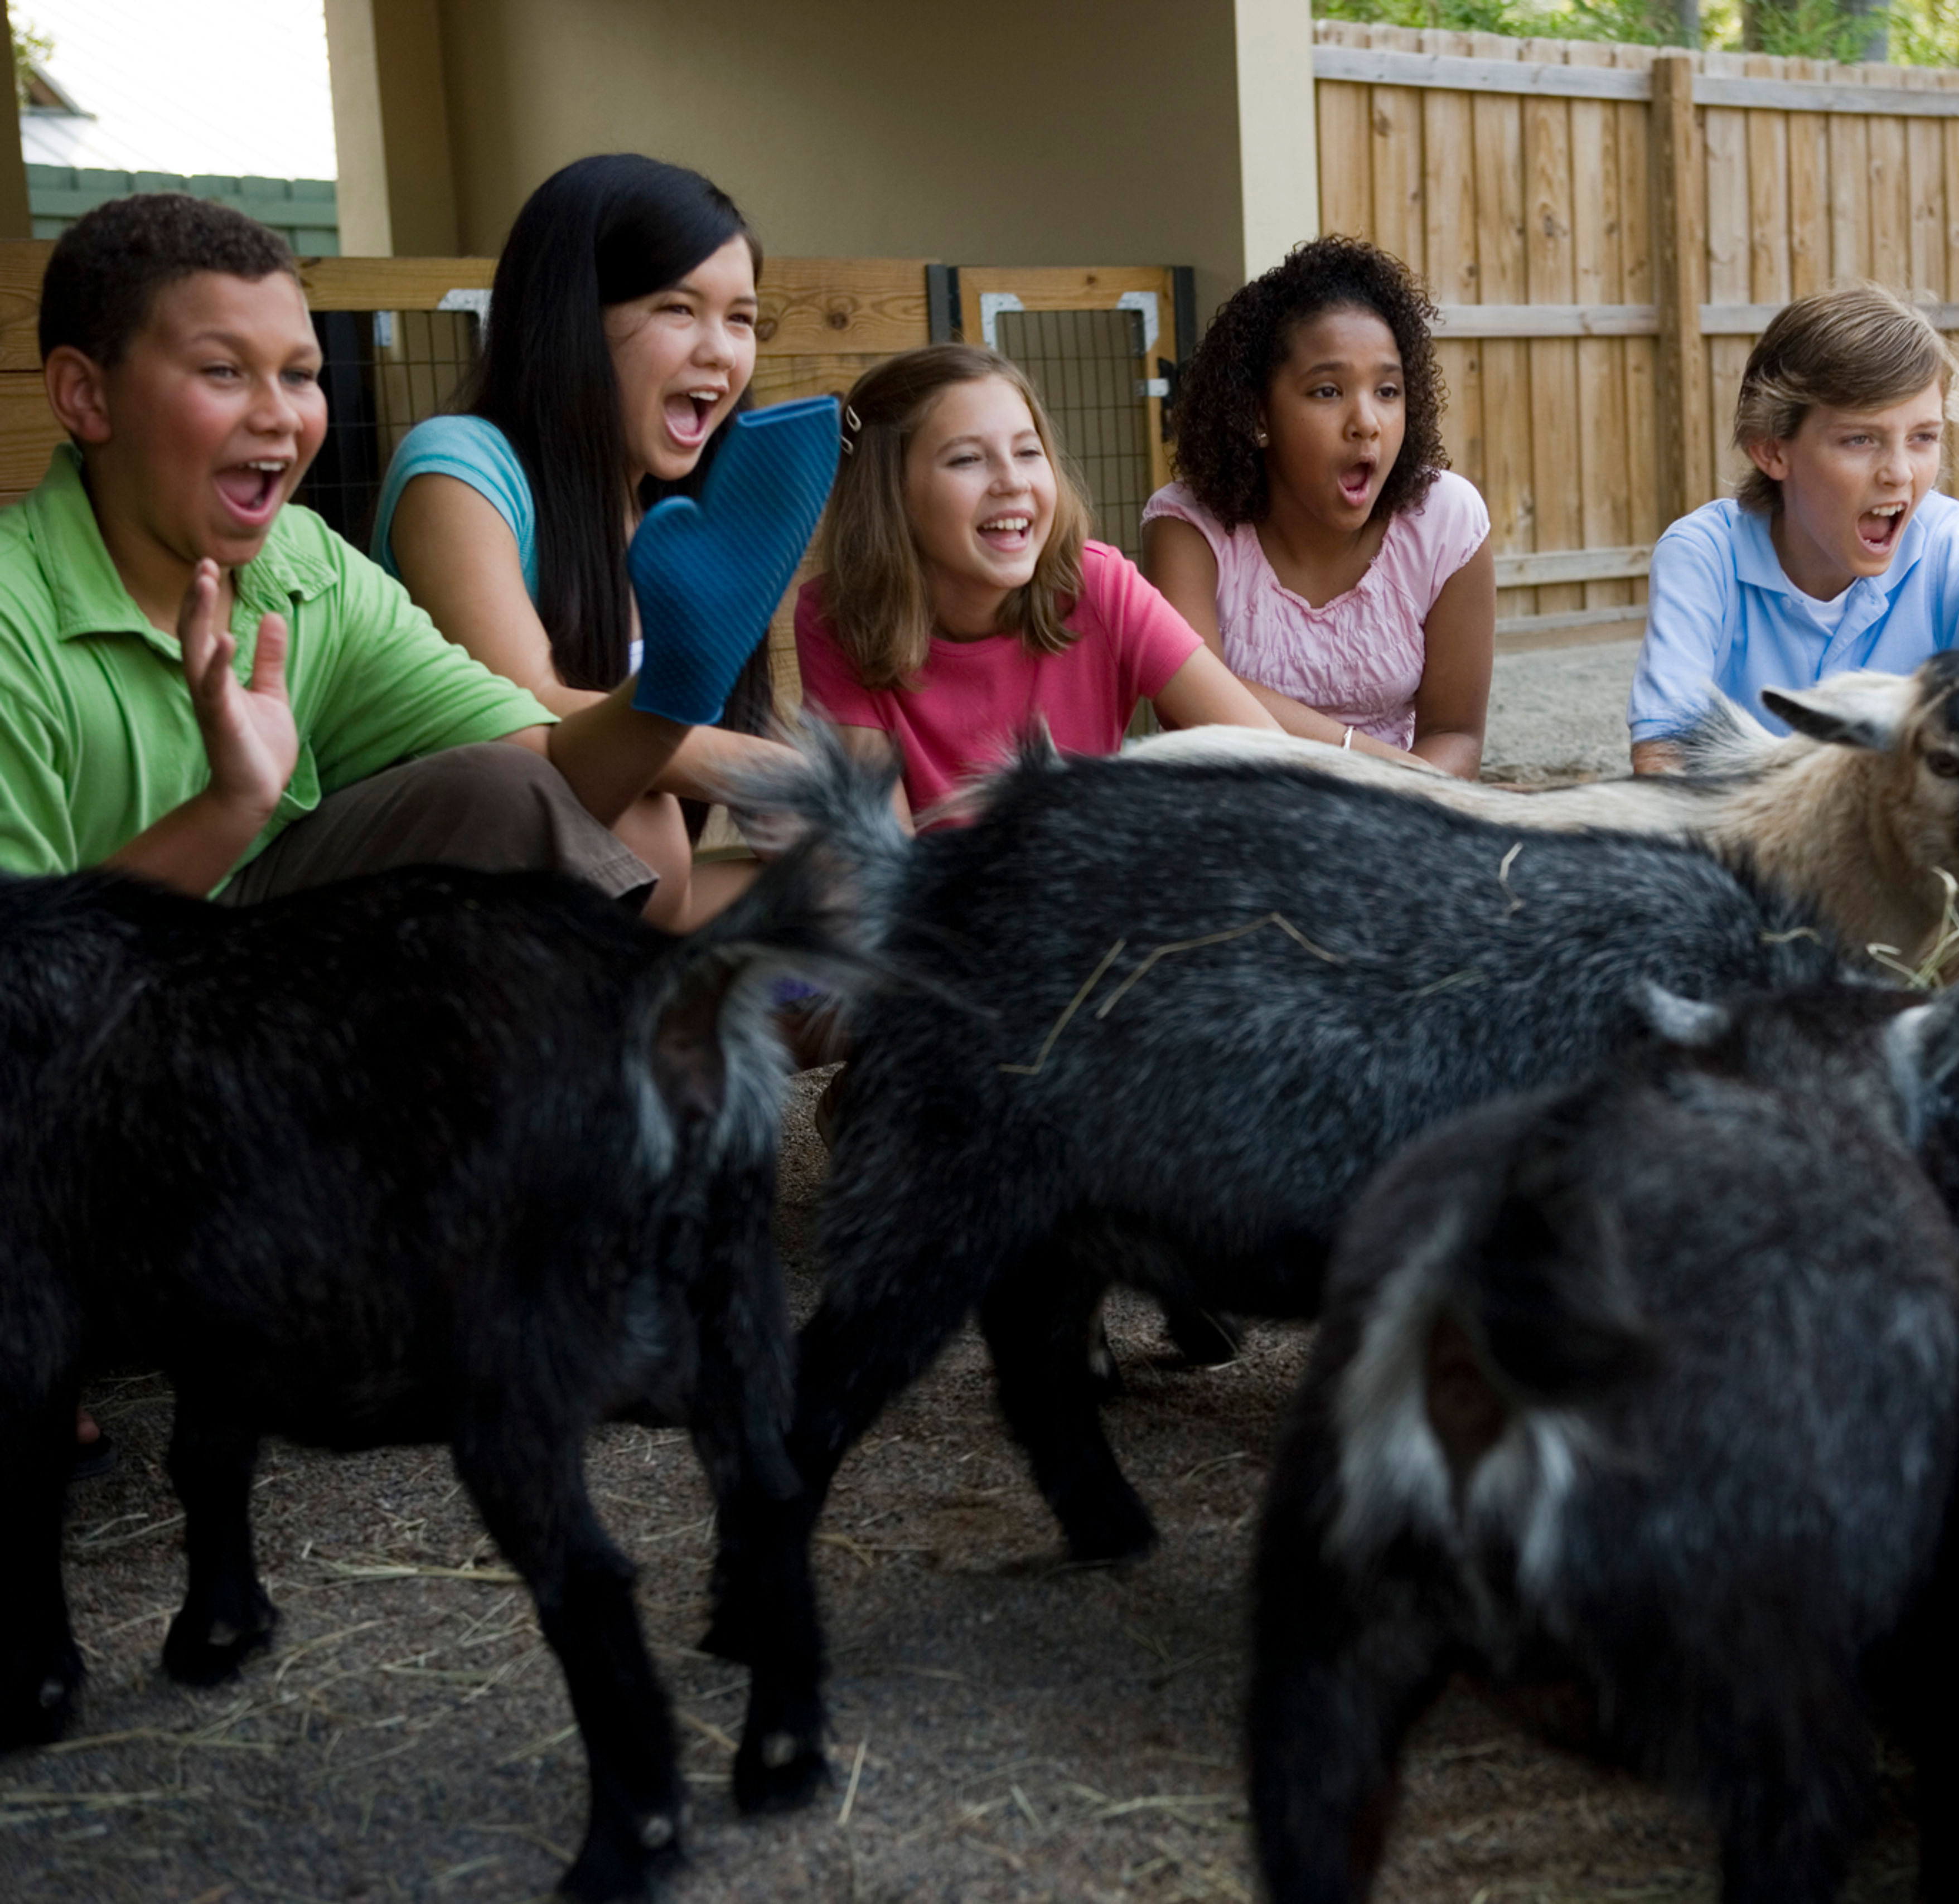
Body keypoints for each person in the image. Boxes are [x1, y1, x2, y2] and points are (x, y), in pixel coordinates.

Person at [11, 195, 746, 1474]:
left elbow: (550, 767)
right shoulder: (14, 617)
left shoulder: (305, 567)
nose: (280, 414)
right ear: (86, 395)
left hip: (230, 1027)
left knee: (509, 801)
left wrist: (674, 677)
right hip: (62, 1066)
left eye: (300, 373)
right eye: (223, 371)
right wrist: (229, 808)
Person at [373, 153, 798, 928]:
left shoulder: (678, 503)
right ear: (574, 316)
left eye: (741, 318)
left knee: (847, 880)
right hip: (446, 907)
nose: (721, 351)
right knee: (645, 815)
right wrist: (768, 773)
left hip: (630, 911)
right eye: (678, 308)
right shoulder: (461, 467)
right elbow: (525, 706)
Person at [1627, 283, 1959, 774]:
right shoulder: (1704, 555)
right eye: (1859, 439)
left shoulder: (1939, 541)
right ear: (1772, 450)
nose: (1900, 473)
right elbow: (1664, 757)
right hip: (1744, 823)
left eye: (1923, 437)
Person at [796, 343, 1277, 826]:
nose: (1012, 481)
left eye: (1028, 452)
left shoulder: (1099, 583)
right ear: (890, 493)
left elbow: (1271, 761)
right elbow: (880, 853)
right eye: (967, 459)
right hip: (936, 877)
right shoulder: (835, 616)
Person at [1143, 235, 1493, 779]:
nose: (1367, 422)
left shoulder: (1446, 521)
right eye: (1328, 391)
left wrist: (1405, 797)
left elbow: (1455, 734)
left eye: (1388, 391)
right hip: (1237, 808)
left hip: (1399, 814)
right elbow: (1191, 701)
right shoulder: (1188, 527)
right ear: (1258, 413)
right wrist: (1386, 770)